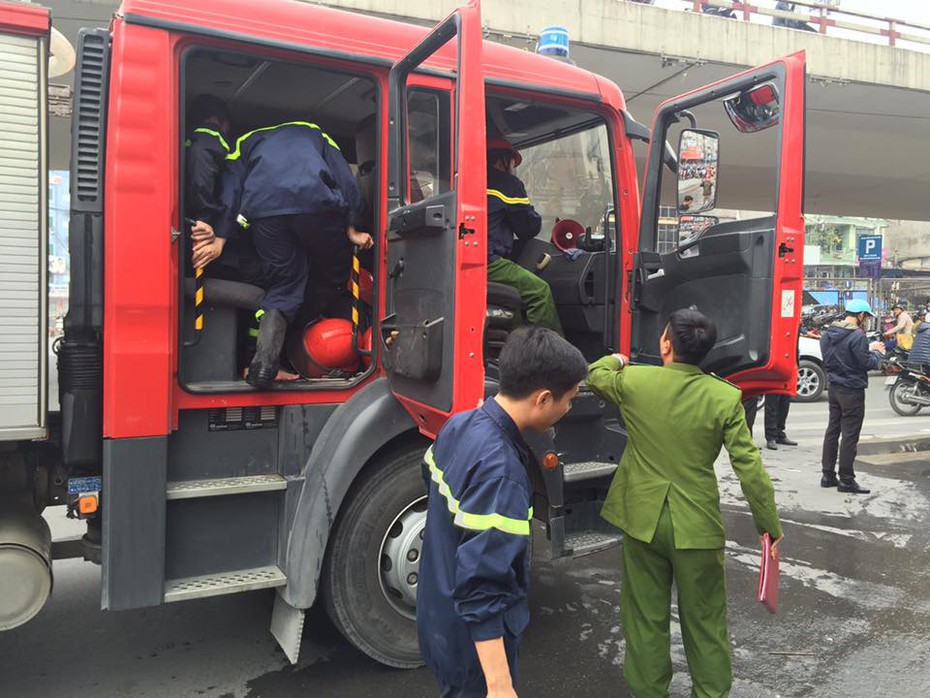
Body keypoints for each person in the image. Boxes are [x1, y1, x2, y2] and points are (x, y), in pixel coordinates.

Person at [587, 309, 783, 698]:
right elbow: (750, 468)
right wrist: (769, 527)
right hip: (697, 524)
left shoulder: (635, 382)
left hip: (642, 519)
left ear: (665, 344)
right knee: (706, 622)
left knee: (644, 619)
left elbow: (595, 374)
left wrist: (618, 358)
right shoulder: (724, 396)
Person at [417, 327, 587, 697]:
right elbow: (482, 587)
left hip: (437, 616)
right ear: (543, 399)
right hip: (470, 648)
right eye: (569, 400)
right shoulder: (502, 474)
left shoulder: (460, 424)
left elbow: (428, 476)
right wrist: (499, 684)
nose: (569, 408)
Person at [220, 121, 373, 388]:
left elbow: (230, 187)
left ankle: (265, 365)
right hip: (314, 204)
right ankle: (307, 328)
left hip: (264, 214)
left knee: (284, 283)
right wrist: (353, 230)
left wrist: (221, 235)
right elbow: (346, 181)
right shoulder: (317, 133)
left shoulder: (246, 139)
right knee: (334, 272)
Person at [486, 138, 563, 335]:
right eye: (513, 163)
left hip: (463, 259)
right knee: (539, 293)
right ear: (504, 160)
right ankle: (545, 356)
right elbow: (527, 228)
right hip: (488, 262)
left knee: (515, 306)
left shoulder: (468, 180)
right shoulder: (507, 183)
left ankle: (512, 350)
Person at [820, 299, 885, 494]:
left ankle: (828, 475)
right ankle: (847, 479)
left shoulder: (828, 334)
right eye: (866, 317)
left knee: (833, 430)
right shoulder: (857, 335)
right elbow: (865, 363)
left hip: (834, 388)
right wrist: (877, 353)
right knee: (849, 435)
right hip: (852, 390)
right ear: (861, 315)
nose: (866, 321)